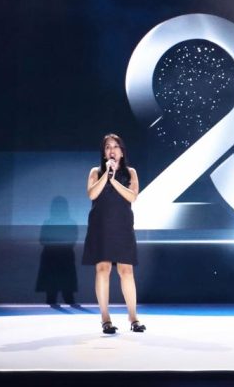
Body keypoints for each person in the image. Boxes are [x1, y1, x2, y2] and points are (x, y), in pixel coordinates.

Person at [82, 133, 146, 334]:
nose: (112, 150)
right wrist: (106, 176)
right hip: (100, 226)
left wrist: (114, 180)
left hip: (122, 226)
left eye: (115, 146)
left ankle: (133, 317)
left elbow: (132, 196)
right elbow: (92, 193)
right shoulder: (95, 172)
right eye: (108, 147)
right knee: (103, 269)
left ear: (122, 151)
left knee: (126, 271)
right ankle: (105, 318)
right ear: (104, 153)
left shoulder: (131, 172)